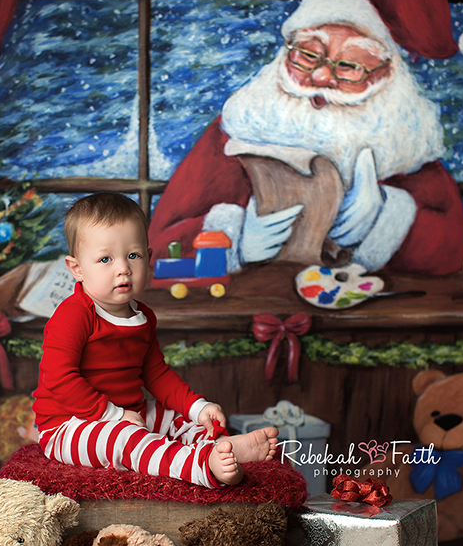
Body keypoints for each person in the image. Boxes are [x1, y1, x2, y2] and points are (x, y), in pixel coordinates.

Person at [148, 0, 463, 277]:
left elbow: (454, 256)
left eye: (349, 65)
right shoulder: (239, 128)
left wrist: (386, 219)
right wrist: (233, 240)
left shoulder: (403, 149)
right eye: (307, 54)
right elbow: (157, 255)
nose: (319, 77)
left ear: (387, 78)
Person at [32, 193, 278, 488]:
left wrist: (198, 408)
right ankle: (200, 466)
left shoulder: (143, 316)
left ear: (148, 257)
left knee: (171, 420)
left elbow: (156, 374)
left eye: (133, 255)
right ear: (77, 268)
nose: (122, 268)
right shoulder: (74, 315)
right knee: (126, 440)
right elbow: (59, 378)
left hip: (127, 410)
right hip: (69, 426)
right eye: (105, 259)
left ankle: (221, 445)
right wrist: (112, 415)